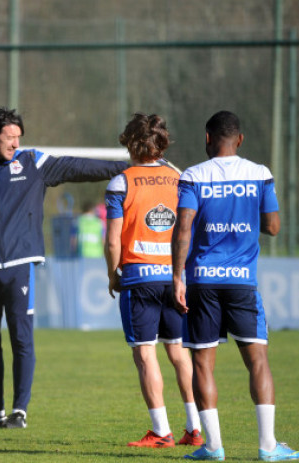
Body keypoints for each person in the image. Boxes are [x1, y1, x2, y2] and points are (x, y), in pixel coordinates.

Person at [0, 107, 127, 429]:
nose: (15, 144)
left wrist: (129, 167)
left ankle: (19, 412)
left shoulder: (32, 162)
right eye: (10, 139)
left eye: (18, 138)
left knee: (22, 338)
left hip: (20, 267)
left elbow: (79, 167)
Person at [172, 111, 299, 462]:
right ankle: (268, 446)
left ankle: (213, 447)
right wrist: (243, 217)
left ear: (207, 138)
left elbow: (183, 228)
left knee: (202, 363)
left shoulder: (193, 176)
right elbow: (273, 227)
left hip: (201, 280)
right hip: (242, 282)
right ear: (240, 139)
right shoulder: (260, 174)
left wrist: (176, 276)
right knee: (258, 360)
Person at [104, 113, 202, 448]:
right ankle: (195, 427)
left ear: (131, 143)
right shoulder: (179, 177)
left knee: (146, 354)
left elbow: (113, 240)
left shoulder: (122, 182)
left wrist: (112, 273)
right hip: (174, 277)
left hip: (139, 278)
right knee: (177, 352)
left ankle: (161, 431)